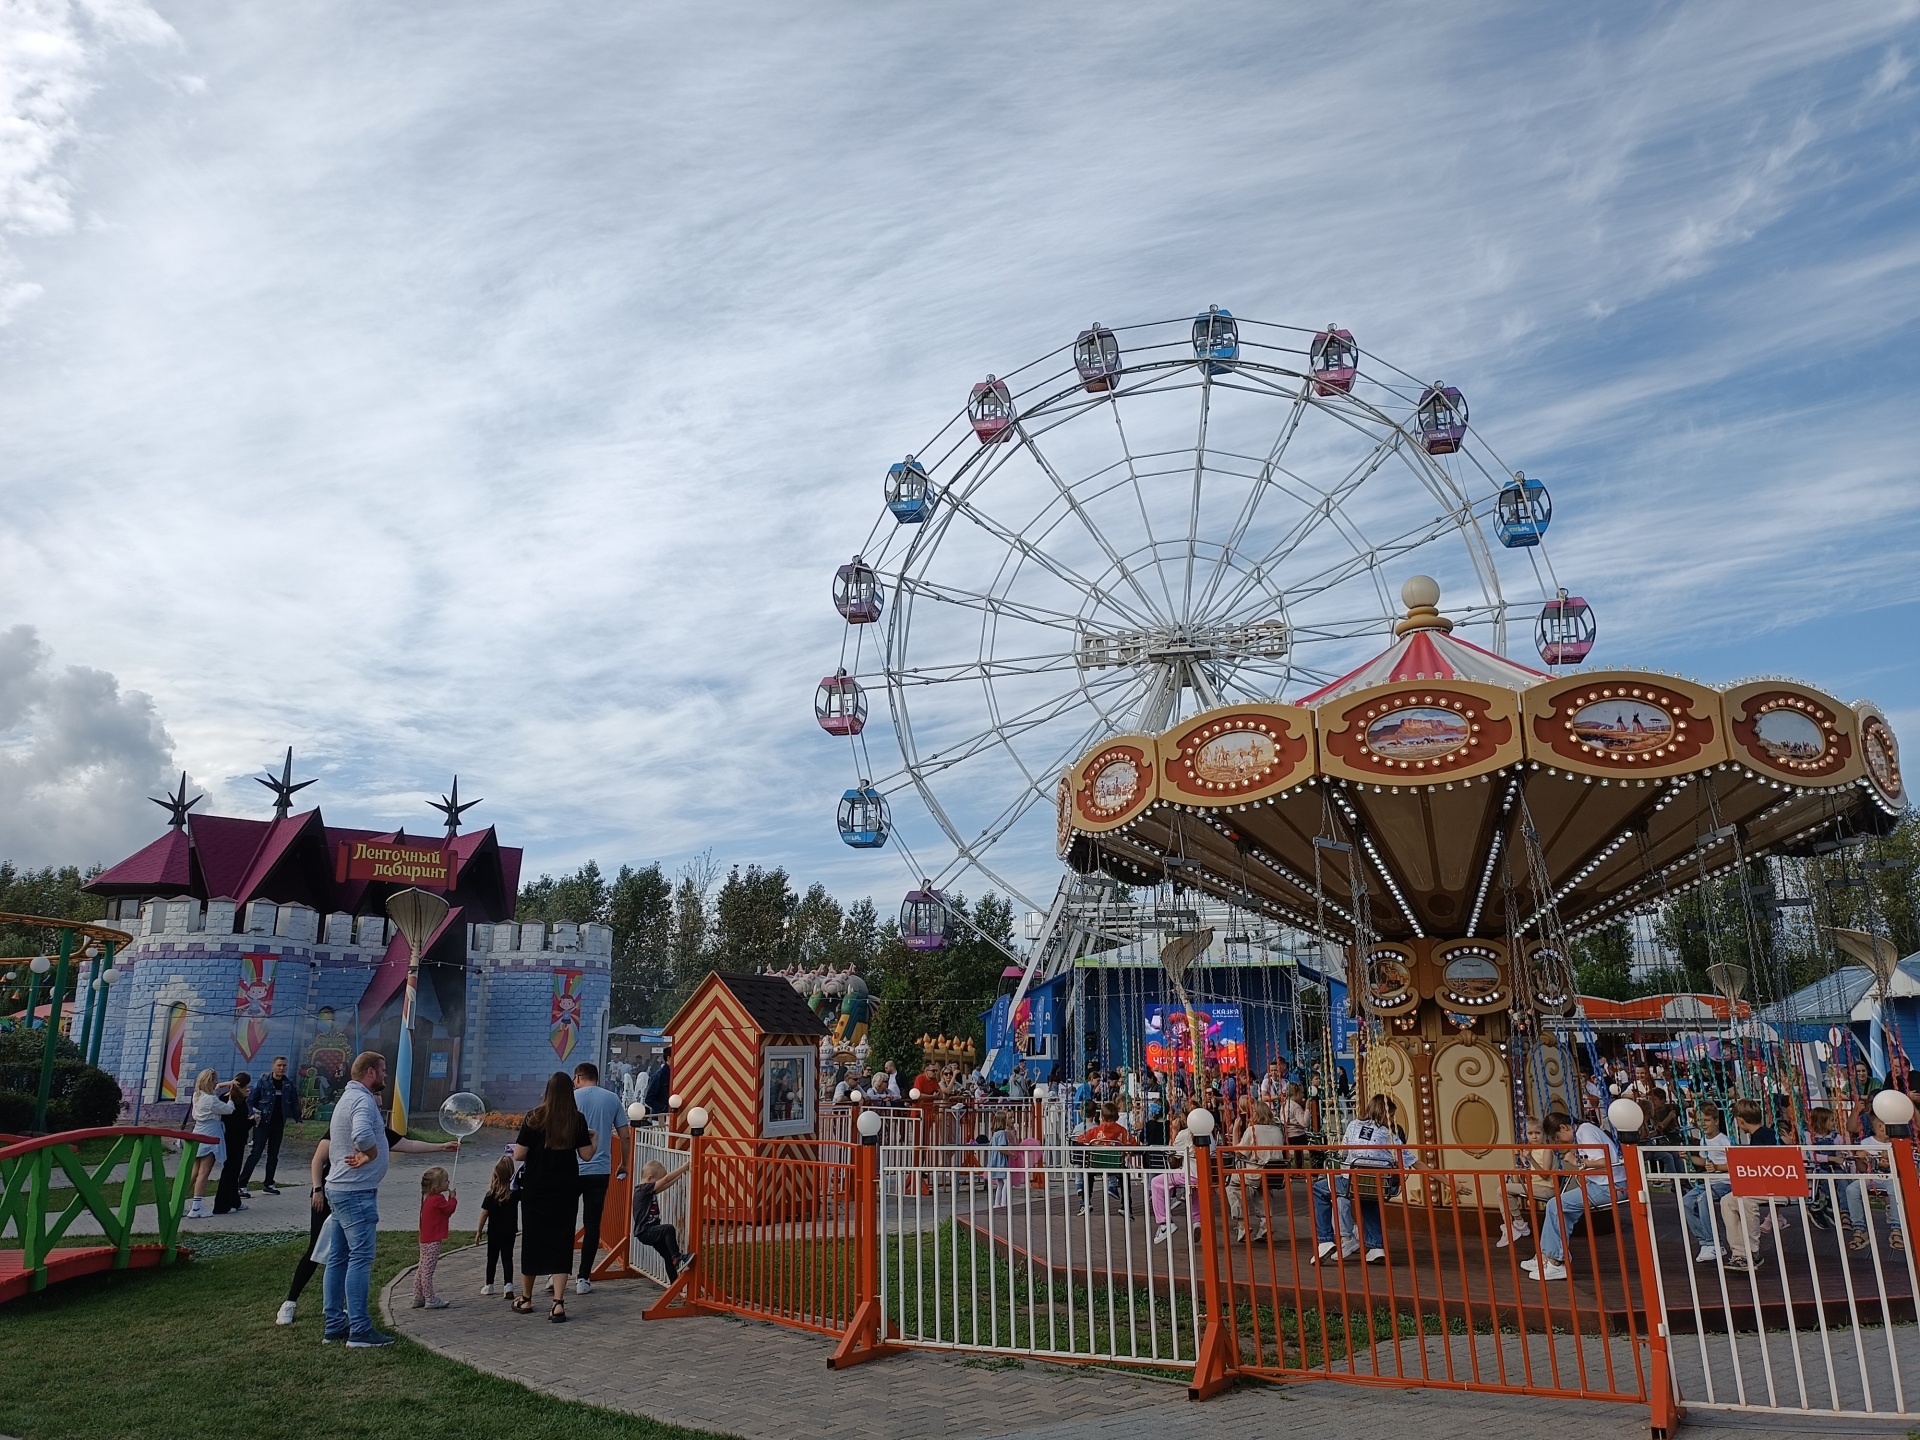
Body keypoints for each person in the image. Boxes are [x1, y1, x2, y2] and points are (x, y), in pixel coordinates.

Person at [274, 1126, 458, 1325]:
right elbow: (318, 1159)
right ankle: (290, 1302)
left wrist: (442, 1146)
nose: (376, 1108)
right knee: (316, 1249)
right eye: (374, 1103)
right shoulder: (342, 1127)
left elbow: (409, 1144)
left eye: (378, 1106)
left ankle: (336, 1307)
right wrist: (317, 1189)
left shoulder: (378, 1131)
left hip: (356, 1197)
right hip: (327, 1195)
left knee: (343, 1253)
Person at [323, 1051, 397, 1347]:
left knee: (338, 1258)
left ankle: (334, 1323)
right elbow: (363, 1135)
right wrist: (371, 1154)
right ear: (370, 1072)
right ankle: (360, 1330)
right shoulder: (363, 1100)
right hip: (355, 1192)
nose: (385, 1076)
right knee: (360, 1259)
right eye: (383, 1070)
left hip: (340, 1189)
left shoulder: (347, 1097)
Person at [513, 1071, 596, 1321]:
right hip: (566, 1191)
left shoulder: (534, 1117)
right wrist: (596, 1138)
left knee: (532, 1240)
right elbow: (587, 1156)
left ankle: (526, 1299)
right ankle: (558, 1303)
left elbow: (518, 1154)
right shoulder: (576, 1120)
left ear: (547, 1092)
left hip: (536, 1190)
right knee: (562, 1242)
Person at [1523, 1110, 1625, 1281]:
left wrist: (1576, 1161)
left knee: (1555, 1205)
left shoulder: (1584, 1131)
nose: (1560, 1142)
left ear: (1564, 1127)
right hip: (1600, 1183)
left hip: (1610, 1186)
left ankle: (1555, 1261)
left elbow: (1605, 1160)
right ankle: (1546, 1256)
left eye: (1558, 1137)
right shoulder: (1583, 1131)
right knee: (1562, 1209)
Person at [1311, 1093, 1404, 1264]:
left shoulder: (1354, 1125)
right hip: (1378, 1183)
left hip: (1352, 1181)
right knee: (1368, 1197)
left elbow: (1343, 1153)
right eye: (1390, 1115)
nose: (1391, 1119)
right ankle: (1376, 1246)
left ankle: (1324, 1239)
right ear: (1383, 1113)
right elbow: (1410, 1160)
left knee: (1319, 1189)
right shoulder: (1390, 1135)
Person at [570, 1061, 631, 1294]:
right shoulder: (612, 1099)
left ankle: (558, 1273)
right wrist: (624, 1163)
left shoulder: (572, 1099)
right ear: (596, 1077)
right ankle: (583, 1278)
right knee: (593, 1223)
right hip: (600, 1169)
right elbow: (624, 1136)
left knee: (566, 1220)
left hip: (572, 1168)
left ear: (578, 1077)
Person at [1716, 1098, 1780, 1271]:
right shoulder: (1759, 1136)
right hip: (1763, 1185)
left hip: (1777, 1185)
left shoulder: (1765, 1137)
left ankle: (1753, 1252)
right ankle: (1739, 1252)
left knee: (1745, 1199)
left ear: (1741, 1120)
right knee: (1727, 1201)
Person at [1839, 1110, 1905, 1254]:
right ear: (1880, 1127)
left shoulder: (1896, 1143)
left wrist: (1892, 1161)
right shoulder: (1866, 1142)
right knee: (1852, 1189)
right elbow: (1862, 1170)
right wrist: (1860, 1158)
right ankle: (1860, 1229)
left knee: (1895, 1189)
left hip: (1890, 1178)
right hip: (1872, 1177)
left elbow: (1904, 1168)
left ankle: (1896, 1228)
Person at [1226, 1101, 1287, 1243]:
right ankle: (1265, 1223)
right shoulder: (1277, 1130)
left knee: (1231, 1183)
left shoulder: (1253, 1130)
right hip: (1275, 1174)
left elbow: (1239, 1153)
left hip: (1257, 1172)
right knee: (1260, 1188)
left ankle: (1242, 1223)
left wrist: (1235, 1130)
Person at [241, 1055, 301, 1196]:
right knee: (256, 1153)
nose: (282, 1068)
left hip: (278, 1124)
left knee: (273, 1155)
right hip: (262, 1123)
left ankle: (268, 1183)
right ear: (273, 1066)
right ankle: (242, 1184)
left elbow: (294, 1103)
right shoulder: (263, 1082)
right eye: (279, 1065)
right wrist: (252, 1114)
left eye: (284, 1066)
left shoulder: (288, 1085)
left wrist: (298, 1120)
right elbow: (251, 1100)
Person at [1499, 1118, 1560, 1249]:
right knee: (1502, 1190)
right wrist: (1522, 1158)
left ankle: (1518, 1225)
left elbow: (1544, 1175)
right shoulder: (1531, 1150)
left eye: (1537, 1133)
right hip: (1535, 1186)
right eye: (1530, 1133)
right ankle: (1511, 1226)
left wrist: (1530, 1158)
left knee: (1502, 1189)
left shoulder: (1547, 1150)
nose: (1534, 1137)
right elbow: (1531, 1170)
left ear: (1544, 1134)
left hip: (1546, 1188)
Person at [1683, 1104, 1732, 1262]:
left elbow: (1734, 1163)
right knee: (1686, 1200)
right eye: (1700, 1120)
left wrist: (1718, 1167)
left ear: (1716, 1121)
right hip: (1711, 1181)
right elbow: (1704, 1161)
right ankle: (1704, 1241)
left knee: (1704, 1199)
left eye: (1707, 1120)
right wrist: (1689, 1158)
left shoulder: (1724, 1140)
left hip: (1725, 1181)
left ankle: (1714, 1242)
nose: (1703, 1124)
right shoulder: (1704, 1140)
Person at [632, 1156, 694, 1280]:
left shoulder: (648, 1191)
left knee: (667, 1257)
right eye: (657, 1181)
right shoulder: (643, 1190)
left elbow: (665, 1184)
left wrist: (680, 1175)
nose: (658, 1184)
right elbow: (665, 1180)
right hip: (646, 1231)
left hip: (650, 1230)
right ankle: (678, 1257)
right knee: (668, 1229)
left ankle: (674, 1284)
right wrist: (683, 1167)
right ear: (650, 1178)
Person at [186, 1069, 231, 1219]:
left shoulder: (197, 1095)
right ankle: (196, 1207)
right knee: (204, 1172)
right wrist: (231, 1096)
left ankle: (178, 1203)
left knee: (194, 1171)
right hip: (210, 1133)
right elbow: (229, 1110)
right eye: (215, 1080)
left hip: (198, 1131)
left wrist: (229, 1083)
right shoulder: (212, 1100)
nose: (217, 1082)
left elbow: (216, 1088)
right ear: (209, 1082)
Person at [1148, 1106, 1198, 1243]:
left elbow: (1172, 1156)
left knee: (1156, 1183)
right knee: (1194, 1189)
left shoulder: (1186, 1134)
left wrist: (1175, 1131)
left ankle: (1164, 1223)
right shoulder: (1209, 1132)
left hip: (1192, 1174)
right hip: (1204, 1174)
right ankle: (1197, 1221)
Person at [410, 1166, 457, 1309]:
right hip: (432, 1241)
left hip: (424, 1239)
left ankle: (418, 1296)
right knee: (427, 1271)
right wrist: (453, 1198)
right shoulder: (438, 1199)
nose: (448, 1183)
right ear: (437, 1186)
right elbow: (449, 1210)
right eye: (445, 1181)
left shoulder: (427, 1198)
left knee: (421, 1268)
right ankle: (430, 1298)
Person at [475, 1155, 520, 1295]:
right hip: (510, 1231)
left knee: (492, 1258)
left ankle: (489, 1285)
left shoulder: (491, 1194)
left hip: (494, 1231)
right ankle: (508, 1285)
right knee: (507, 1258)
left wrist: (479, 1231)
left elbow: (484, 1214)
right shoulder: (515, 1194)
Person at [213, 1072, 253, 1214]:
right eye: (246, 1086)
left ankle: (235, 1201)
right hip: (235, 1140)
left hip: (226, 1138)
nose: (248, 1089)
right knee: (230, 1172)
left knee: (232, 1171)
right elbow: (240, 1124)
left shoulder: (224, 1098)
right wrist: (253, 1121)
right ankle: (221, 1205)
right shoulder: (238, 1101)